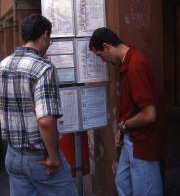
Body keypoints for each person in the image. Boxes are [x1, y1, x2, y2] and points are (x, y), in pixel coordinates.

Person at [0, 14, 77, 196]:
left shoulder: (2, 66)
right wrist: (53, 157)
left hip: (12, 155)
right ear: (44, 35)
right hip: (39, 158)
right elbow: (45, 121)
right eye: (49, 39)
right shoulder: (43, 68)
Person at [89, 27, 166, 196]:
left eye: (100, 55)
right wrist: (123, 131)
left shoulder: (135, 65)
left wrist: (124, 126)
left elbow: (149, 114)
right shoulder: (127, 62)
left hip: (143, 142)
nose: (102, 60)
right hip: (132, 138)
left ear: (106, 46)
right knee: (123, 183)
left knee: (145, 190)